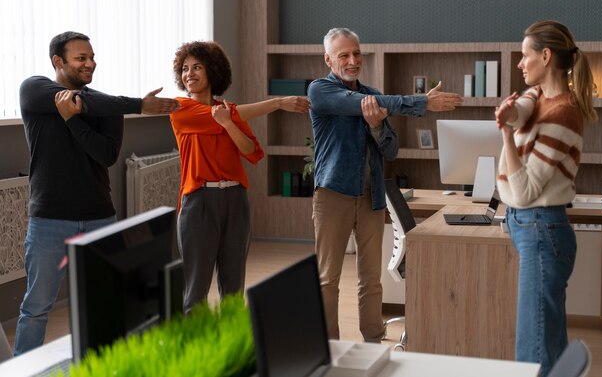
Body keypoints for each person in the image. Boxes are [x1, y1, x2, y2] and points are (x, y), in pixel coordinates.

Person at [14, 31, 179, 356]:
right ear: (57, 61)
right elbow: (77, 102)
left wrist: (73, 122)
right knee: (36, 307)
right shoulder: (33, 90)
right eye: (81, 58)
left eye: (92, 57)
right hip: (49, 219)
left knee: (110, 303)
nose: (90, 63)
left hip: (99, 218)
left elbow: (106, 155)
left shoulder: (107, 106)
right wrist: (138, 104)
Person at [308, 27, 462, 342]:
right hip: (333, 195)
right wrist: (422, 103)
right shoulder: (320, 91)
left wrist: (377, 126)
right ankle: (327, 347)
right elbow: (358, 103)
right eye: (343, 55)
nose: (352, 61)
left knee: (371, 279)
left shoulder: (374, 95)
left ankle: (373, 340)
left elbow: (391, 150)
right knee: (327, 279)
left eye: (356, 53)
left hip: (371, 197)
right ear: (328, 59)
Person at [169, 40, 309, 313]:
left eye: (197, 67)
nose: (189, 74)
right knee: (196, 288)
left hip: (235, 199)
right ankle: (193, 349)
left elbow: (252, 152)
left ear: (213, 71)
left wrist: (228, 124)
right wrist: (277, 102)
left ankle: (231, 347)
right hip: (199, 201)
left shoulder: (228, 112)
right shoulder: (180, 108)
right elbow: (219, 115)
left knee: (233, 286)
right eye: (185, 69)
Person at [495, 20, 597, 377]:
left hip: (541, 229)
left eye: (525, 56)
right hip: (535, 229)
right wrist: (511, 114)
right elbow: (524, 107)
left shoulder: (563, 113)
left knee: (534, 352)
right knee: (546, 342)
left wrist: (506, 133)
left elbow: (524, 192)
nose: (520, 63)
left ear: (546, 55)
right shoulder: (540, 96)